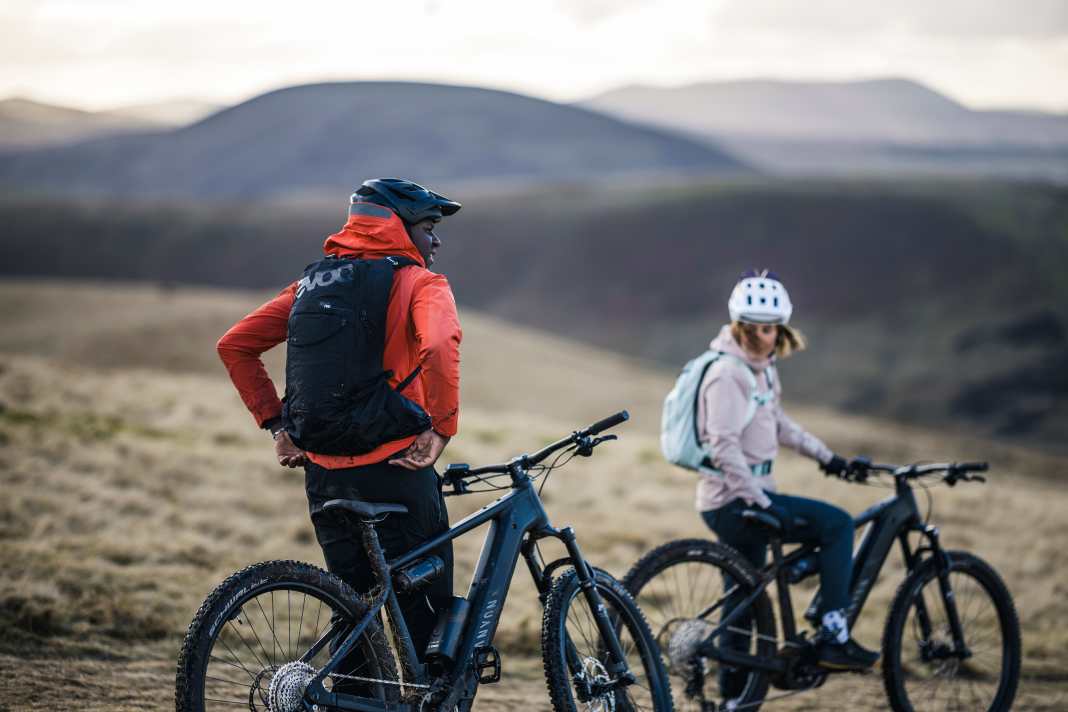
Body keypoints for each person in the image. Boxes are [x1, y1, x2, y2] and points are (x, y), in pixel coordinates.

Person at [216, 178, 462, 671]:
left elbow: (235, 345)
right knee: (426, 622)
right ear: (400, 227)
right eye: (430, 228)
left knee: (352, 611)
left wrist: (277, 425)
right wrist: (440, 429)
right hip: (396, 468)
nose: (436, 241)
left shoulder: (311, 283)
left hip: (324, 473)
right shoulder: (419, 283)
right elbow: (438, 345)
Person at [697, 269, 879, 690]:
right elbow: (721, 445)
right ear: (741, 326)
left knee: (743, 599)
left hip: (740, 497)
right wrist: (759, 502)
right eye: (759, 328)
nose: (768, 336)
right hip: (733, 501)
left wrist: (828, 458)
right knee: (835, 524)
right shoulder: (728, 374)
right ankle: (833, 634)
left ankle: (731, 698)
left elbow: (778, 423)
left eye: (774, 328)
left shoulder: (761, 369)